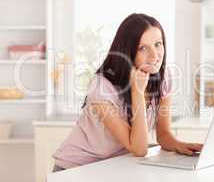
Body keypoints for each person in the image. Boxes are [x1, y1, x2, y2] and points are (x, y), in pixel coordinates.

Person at [52, 13, 202, 172]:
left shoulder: (164, 78)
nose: (155, 55)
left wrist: (179, 145)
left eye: (158, 44)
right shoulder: (102, 85)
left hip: (115, 166)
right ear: (127, 52)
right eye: (143, 48)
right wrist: (137, 92)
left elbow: (163, 134)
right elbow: (139, 149)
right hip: (75, 169)